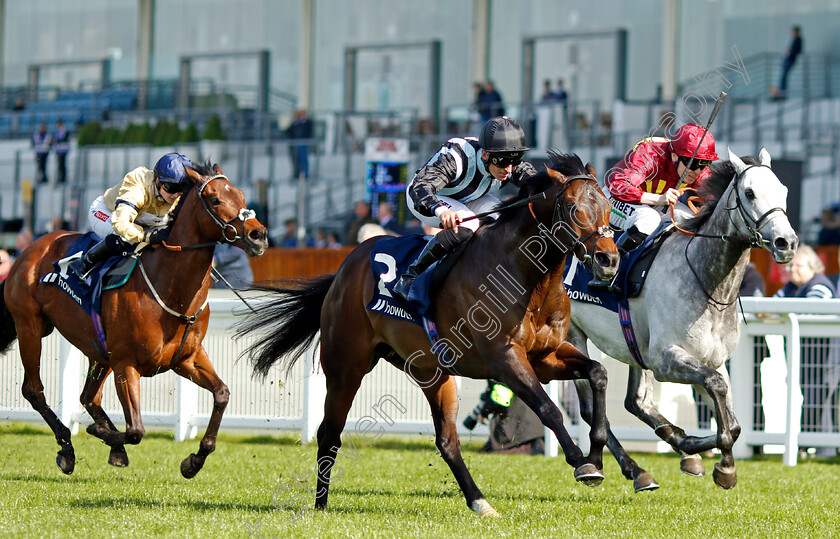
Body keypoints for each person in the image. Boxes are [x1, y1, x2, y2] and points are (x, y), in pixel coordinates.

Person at [392, 116, 536, 301]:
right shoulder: (457, 157)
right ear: (485, 154)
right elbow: (420, 188)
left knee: (506, 221)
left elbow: (537, 181)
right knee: (468, 224)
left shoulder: (507, 160)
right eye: (502, 161)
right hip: (428, 199)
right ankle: (411, 276)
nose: (508, 169)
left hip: (472, 197)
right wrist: (441, 210)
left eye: (514, 160)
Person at [68, 152, 193, 280]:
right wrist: (147, 237)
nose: (176, 194)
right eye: (171, 188)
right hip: (107, 213)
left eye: (182, 189)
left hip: (142, 221)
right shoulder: (139, 187)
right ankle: (84, 263)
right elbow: (121, 224)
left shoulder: (177, 195)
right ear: (157, 180)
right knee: (125, 237)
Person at [603, 123, 718, 255]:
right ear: (674, 156)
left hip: (654, 204)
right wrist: (659, 199)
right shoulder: (650, 153)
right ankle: (610, 266)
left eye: (704, 164)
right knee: (649, 219)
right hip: (614, 199)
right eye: (692, 163)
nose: (697, 171)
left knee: (693, 222)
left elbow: (716, 197)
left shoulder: (696, 169)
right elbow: (619, 187)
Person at [773, 245, 835, 453]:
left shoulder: (821, 284)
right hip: (804, 358)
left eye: (797, 265)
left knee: (817, 400)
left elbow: (810, 311)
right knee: (809, 399)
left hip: (825, 360)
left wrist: (781, 314)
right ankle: (807, 447)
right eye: (789, 266)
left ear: (813, 267)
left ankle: (815, 448)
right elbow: (770, 308)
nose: (792, 270)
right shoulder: (791, 286)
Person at [285, 109, 313, 180]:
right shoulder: (296, 123)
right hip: (295, 143)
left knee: (303, 158)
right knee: (296, 159)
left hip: (303, 143)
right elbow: (289, 131)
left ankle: (305, 173)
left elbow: (308, 132)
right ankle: (297, 173)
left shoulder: (307, 122)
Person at [777, 26, 803, 99]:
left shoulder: (798, 39)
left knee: (784, 76)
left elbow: (797, 50)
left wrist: (790, 51)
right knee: (783, 76)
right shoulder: (795, 39)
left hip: (790, 60)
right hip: (788, 59)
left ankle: (782, 93)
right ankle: (781, 92)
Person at [53, 119, 71, 184]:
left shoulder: (65, 132)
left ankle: (63, 177)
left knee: (62, 164)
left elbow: (64, 139)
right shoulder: (57, 132)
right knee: (60, 164)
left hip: (63, 150)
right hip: (59, 149)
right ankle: (60, 176)